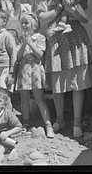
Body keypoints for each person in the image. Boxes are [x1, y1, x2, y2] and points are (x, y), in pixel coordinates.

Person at [35, 0, 92, 138]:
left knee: (79, 83)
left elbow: (84, 19)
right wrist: (61, 6)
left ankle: (77, 123)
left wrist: (73, 10)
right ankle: (60, 120)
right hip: (56, 41)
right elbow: (43, 19)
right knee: (58, 85)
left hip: (76, 37)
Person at [16, 11, 54, 139]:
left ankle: (48, 125)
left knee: (39, 99)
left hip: (36, 70)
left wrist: (30, 43)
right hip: (24, 70)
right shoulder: (21, 38)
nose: (24, 25)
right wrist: (24, 43)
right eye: (22, 23)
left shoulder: (40, 37)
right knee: (24, 98)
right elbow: (18, 56)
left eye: (26, 22)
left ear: (34, 25)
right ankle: (25, 123)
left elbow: (40, 54)